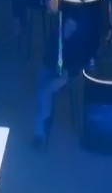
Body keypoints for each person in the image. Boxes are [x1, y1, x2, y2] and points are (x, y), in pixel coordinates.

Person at [32, 16, 85, 147]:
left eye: (73, 26)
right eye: (69, 25)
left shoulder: (75, 42)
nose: (71, 29)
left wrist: (67, 70)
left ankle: (40, 130)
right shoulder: (54, 37)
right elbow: (47, 58)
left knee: (45, 91)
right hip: (49, 69)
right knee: (43, 88)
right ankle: (42, 123)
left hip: (64, 74)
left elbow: (78, 64)